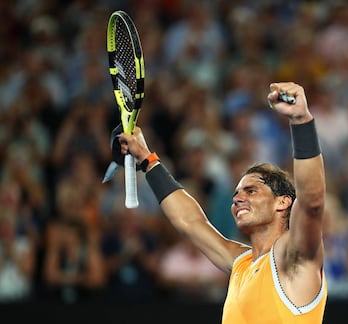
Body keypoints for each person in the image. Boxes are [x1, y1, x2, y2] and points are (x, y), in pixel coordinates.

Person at [118, 82, 327, 323]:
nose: (238, 198)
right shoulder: (241, 264)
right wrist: (146, 158)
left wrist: (301, 121)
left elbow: (312, 201)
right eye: (237, 193)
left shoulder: (293, 257)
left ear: (282, 202)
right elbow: (191, 222)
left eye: (251, 190)